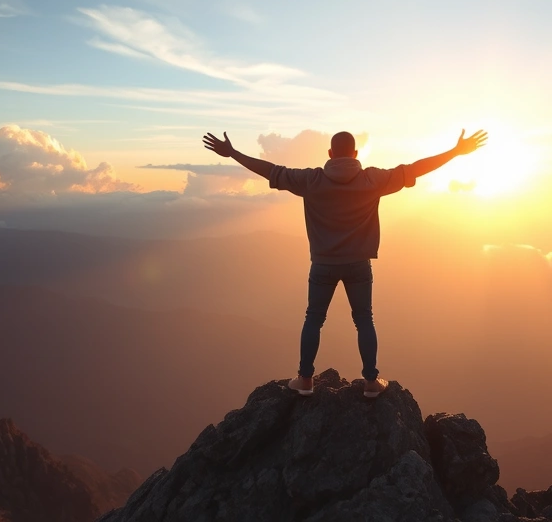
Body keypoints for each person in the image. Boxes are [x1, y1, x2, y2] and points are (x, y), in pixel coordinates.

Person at [202, 128, 488, 397]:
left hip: (323, 265)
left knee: (314, 318)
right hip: (359, 264)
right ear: (354, 154)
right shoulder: (371, 179)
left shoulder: (312, 180)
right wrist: (454, 151)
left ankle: (304, 380)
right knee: (364, 319)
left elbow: (272, 171)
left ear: (330, 154)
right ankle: (372, 382)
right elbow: (414, 169)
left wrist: (234, 153)